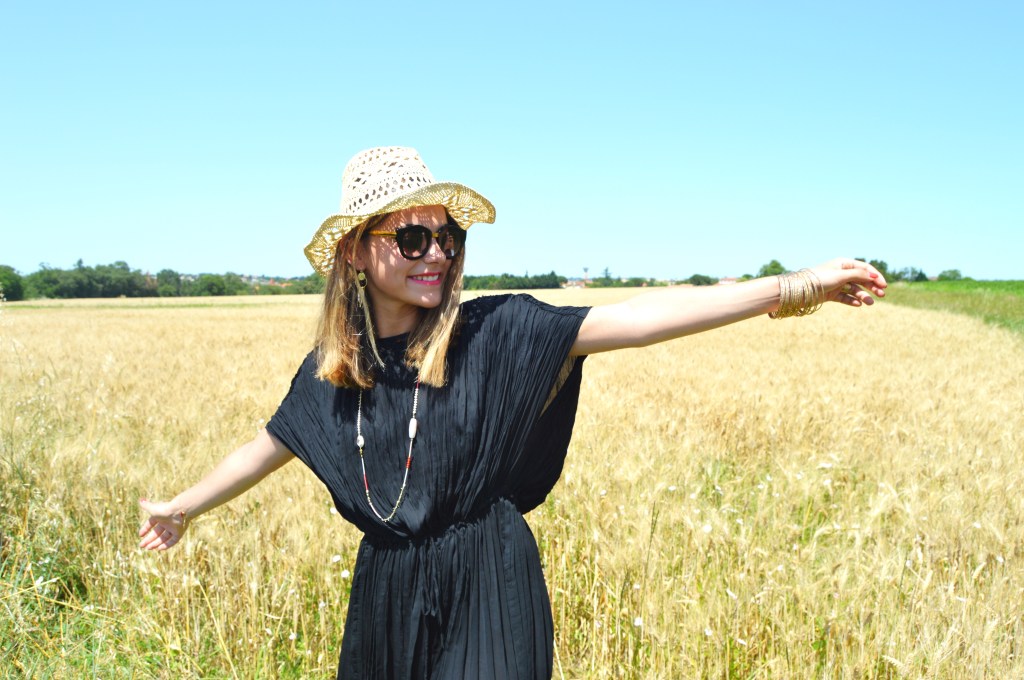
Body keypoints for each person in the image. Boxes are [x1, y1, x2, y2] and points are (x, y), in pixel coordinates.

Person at [138, 146, 887, 679]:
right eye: (411, 235)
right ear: (356, 256)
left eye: (447, 235)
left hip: (487, 583)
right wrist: (181, 508)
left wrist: (795, 287)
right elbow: (270, 445)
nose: (437, 252)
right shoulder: (334, 374)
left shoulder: (499, 331)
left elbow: (649, 317)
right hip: (387, 596)